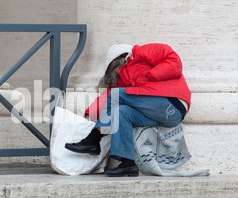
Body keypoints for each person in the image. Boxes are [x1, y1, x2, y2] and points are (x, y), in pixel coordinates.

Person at [65, 43, 191, 177]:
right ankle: (128, 163)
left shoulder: (142, 52)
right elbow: (108, 97)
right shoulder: (123, 80)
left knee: (116, 95)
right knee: (121, 112)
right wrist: (89, 113)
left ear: (118, 60)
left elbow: (175, 62)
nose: (116, 74)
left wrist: (150, 76)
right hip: (159, 113)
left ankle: (94, 139)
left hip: (172, 103)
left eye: (113, 69)